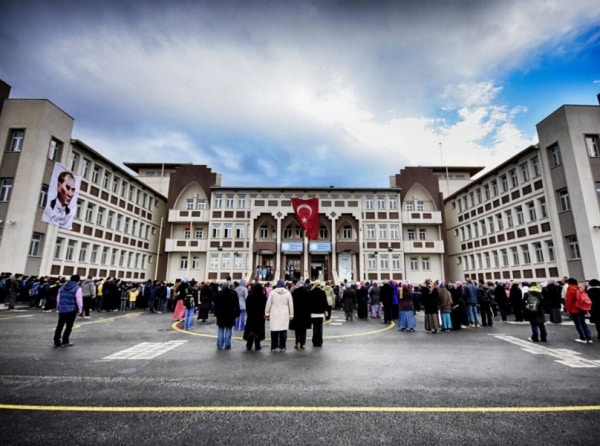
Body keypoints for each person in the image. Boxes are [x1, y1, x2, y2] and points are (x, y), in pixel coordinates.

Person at [53, 275, 83, 347]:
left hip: (62, 309)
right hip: (72, 309)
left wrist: (58, 306)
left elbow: (58, 298)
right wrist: (80, 308)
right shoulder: (77, 288)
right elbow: (79, 299)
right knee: (69, 326)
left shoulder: (62, 287)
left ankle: (56, 340)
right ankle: (65, 341)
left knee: (60, 325)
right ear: (78, 280)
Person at [265, 279, 294, 352]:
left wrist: (267, 313)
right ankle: (282, 346)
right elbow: (290, 305)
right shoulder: (288, 293)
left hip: (274, 313)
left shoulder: (272, 293)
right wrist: (291, 314)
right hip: (284, 314)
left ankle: (274, 346)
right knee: (283, 331)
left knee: (274, 331)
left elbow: (268, 304)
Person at [565, 278, 593, 344]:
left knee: (578, 323)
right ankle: (589, 338)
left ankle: (582, 337)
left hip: (574, 309)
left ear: (569, 283)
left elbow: (568, 300)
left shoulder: (570, 289)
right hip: (582, 308)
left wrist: (567, 309)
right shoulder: (580, 288)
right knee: (583, 323)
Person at [214, 282, 240, 350]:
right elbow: (236, 304)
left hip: (220, 313)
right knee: (229, 328)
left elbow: (216, 304)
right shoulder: (234, 293)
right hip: (230, 313)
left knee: (220, 328)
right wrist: (237, 314)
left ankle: (219, 345)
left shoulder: (219, 293)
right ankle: (227, 344)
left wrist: (216, 313)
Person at [243, 283, 267, 351]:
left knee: (251, 330)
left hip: (251, 316)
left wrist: (249, 312)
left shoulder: (250, 296)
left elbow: (247, 305)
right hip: (260, 316)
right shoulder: (263, 297)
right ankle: (257, 345)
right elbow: (265, 306)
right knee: (258, 331)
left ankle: (249, 344)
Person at [290, 279, 312, 349]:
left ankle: (297, 342)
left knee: (297, 329)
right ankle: (302, 343)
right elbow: (309, 304)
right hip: (305, 314)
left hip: (297, 313)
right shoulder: (307, 292)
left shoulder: (294, 293)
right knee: (303, 329)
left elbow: (292, 304)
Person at [308, 280, 329, 347]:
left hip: (313, 313)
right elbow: (325, 303)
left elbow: (309, 303)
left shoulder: (311, 292)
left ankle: (314, 341)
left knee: (315, 327)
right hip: (320, 313)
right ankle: (319, 341)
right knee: (320, 327)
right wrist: (326, 311)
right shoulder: (322, 292)